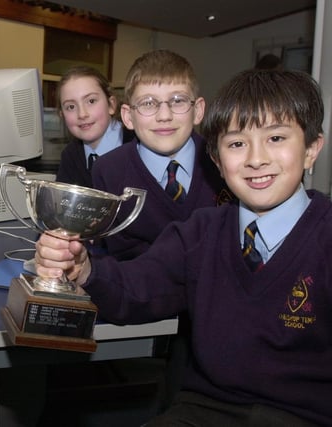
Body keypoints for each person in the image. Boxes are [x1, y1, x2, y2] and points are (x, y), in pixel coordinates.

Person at [35, 69, 329, 426]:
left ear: (312, 149)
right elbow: (135, 287)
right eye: (236, 143)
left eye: (276, 138)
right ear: (218, 162)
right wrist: (83, 269)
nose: (256, 158)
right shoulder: (200, 233)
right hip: (202, 411)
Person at [93, 49, 231, 260]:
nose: (164, 116)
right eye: (148, 103)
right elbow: (119, 259)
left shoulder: (225, 162)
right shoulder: (109, 171)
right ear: (128, 117)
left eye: (178, 101)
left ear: (199, 110)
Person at [55, 65, 134, 187]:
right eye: (71, 107)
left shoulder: (139, 147)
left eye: (91, 101)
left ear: (111, 105)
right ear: (62, 115)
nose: (82, 114)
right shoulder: (71, 155)